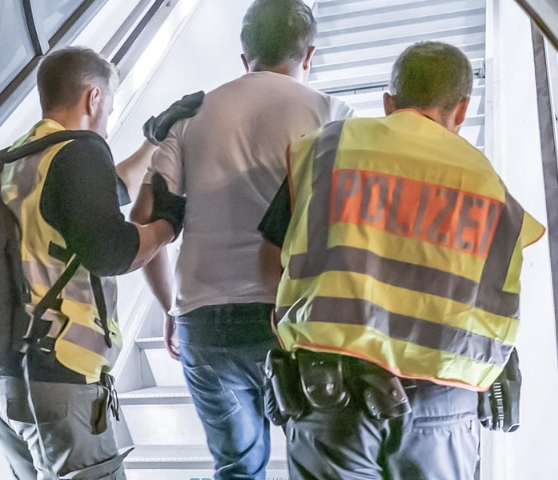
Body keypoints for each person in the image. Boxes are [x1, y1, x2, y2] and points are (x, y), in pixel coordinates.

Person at [259, 41, 546, 479]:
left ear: (388, 103)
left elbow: (270, 265)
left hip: (331, 394)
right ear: (463, 109)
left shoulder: (329, 148)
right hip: (446, 404)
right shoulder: (491, 187)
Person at [131, 0, 353, 478]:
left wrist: (171, 306)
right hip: (293, 319)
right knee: (319, 465)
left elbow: (144, 220)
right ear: (309, 54)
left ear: (243, 56)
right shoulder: (333, 115)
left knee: (237, 466)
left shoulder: (190, 115)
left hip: (204, 320)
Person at [0, 46, 185, 480]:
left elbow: (103, 195)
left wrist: (152, 141)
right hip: (56, 382)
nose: (107, 120)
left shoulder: (17, 158)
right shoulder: (80, 151)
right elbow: (111, 251)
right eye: (110, 107)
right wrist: (167, 226)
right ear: (94, 98)